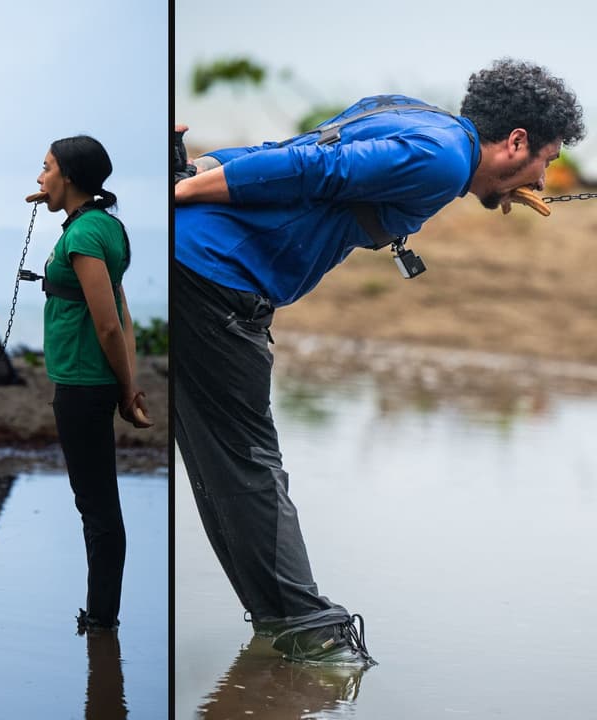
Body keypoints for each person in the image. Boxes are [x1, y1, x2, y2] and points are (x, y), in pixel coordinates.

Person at [173, 57, 585, 664]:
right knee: (250, 462)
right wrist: (182, 188)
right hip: (217, 279)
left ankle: (279, 622)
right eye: (546, 160)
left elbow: (284, 147)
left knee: (220, 462)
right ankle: (307, 632)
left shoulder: (415, 118)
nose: (545, 179)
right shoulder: (444, 160)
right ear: (516, 141)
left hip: (203, 271)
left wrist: (198, 167)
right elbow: (305, 164)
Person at [34, 135, 154, 633]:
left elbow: (107, 324)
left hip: (83, 385)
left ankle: (102, 620)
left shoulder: (83, 236)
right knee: (99, 504)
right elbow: (123, 310)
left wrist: (127, 391)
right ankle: (103, 617)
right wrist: (127, 383)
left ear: (70, 177)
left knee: (97, 507)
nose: (39, 179)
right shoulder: (105, 225)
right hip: (89, 382)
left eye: (45, 169)